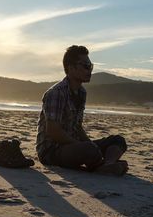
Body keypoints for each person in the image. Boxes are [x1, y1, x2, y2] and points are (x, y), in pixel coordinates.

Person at [36, 45, 128, 175]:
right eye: (85, 66)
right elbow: (53, 131)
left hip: (73, 146)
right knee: (88, 149)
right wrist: (85, 146)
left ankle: (106, 165)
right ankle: (101, 165)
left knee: (118, 140)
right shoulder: (56, 93)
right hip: (51, 151)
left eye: (90, 66)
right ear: (71, 68)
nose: (89, 70)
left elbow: (77, 127)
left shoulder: (81, 93)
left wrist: (89, 145)